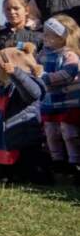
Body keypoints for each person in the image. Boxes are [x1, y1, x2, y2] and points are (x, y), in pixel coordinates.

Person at [0, 48, 50, 185]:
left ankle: (40, 175)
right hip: (2, 139)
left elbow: (33, 93)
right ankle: (7, 176)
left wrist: (17, 74)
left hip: (23, 138)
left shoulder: (21, 87)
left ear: (9, 66)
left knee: (33, 171)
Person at [39, 15, 80, 179]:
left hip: (68, 101)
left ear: (62, 36)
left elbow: (68, 73)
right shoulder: (43, 54)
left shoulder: (69, 55)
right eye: (44, 33)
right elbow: (34, 66)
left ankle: (74, 161)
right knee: (51, 132)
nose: (45, 37)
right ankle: (57, 160)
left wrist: (44, 77)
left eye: (49, 34)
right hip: (49, 101)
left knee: (68, 132)